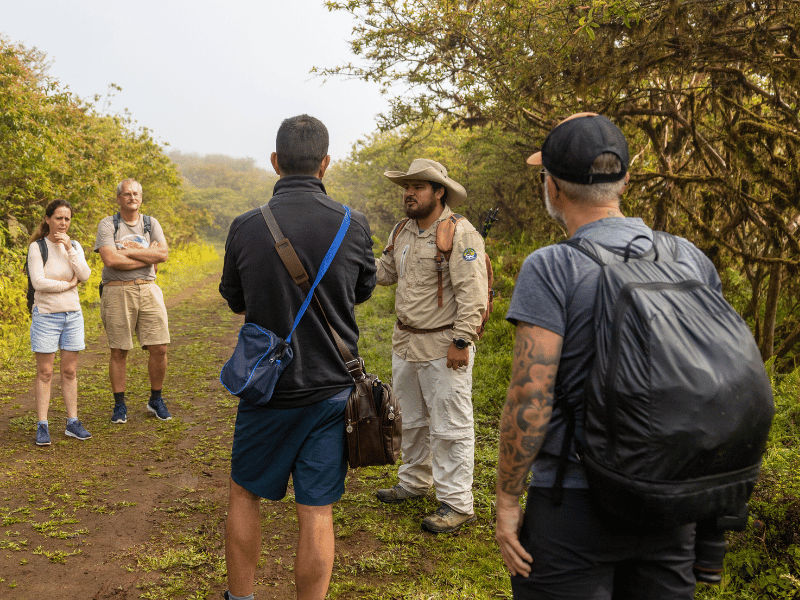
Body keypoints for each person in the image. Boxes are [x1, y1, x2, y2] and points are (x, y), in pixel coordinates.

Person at [495, 112, 724, 599]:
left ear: (552, 187)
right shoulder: (689, 257)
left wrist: (507, 499)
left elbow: (530, 397)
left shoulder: (553, 266)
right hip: (671, 500)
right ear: (624, 179)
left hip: (574, 501)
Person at [219, 114, 377, 600]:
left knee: (245, 494)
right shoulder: (353, 225)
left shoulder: (246, 227)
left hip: (267, 391)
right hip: (331, 390)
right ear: (325, 164)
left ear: (275, 162)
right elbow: (362, 291)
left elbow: (237, 300)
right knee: (317, 511)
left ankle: (240, 598)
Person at [374, 158, 488, 534]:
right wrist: (352, 260)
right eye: (407, 187)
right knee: (411, 418)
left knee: (451, 426)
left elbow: (474, 293)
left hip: (444, 346)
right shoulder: (402, 231)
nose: (409, 193)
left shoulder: (461, 234)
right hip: (406, 341)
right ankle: (413, 481)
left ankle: (457, 503)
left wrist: (462, 340)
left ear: (439, 192)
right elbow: (388, 272)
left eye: (418, 187)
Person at [93, 178, 171, 424]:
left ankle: (156, 399)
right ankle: (119, 405)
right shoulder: (108, 224)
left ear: (141, 197)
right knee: (119, 349)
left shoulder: (151, 223)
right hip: (117, 290)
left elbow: (163, 254)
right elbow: (111, 260)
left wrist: (125, 251)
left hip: (149, 289)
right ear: (119, 198)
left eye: (136, 193)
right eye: (127, 194)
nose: (132, 197)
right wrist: (147, 257)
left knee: (160, 347)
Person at [28, 199, 93, 446]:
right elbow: (38, 282)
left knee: (70, 371)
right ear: (48, 219)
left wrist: (70, 250)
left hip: (72, 316)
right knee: (45, 372)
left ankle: (72, 422)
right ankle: (42, 424)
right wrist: (67, 285)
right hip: (46, 316)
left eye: (67, 219)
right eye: (58, 218)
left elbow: (85, 275)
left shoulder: (74, 246)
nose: (63, 223)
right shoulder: (37, 248)